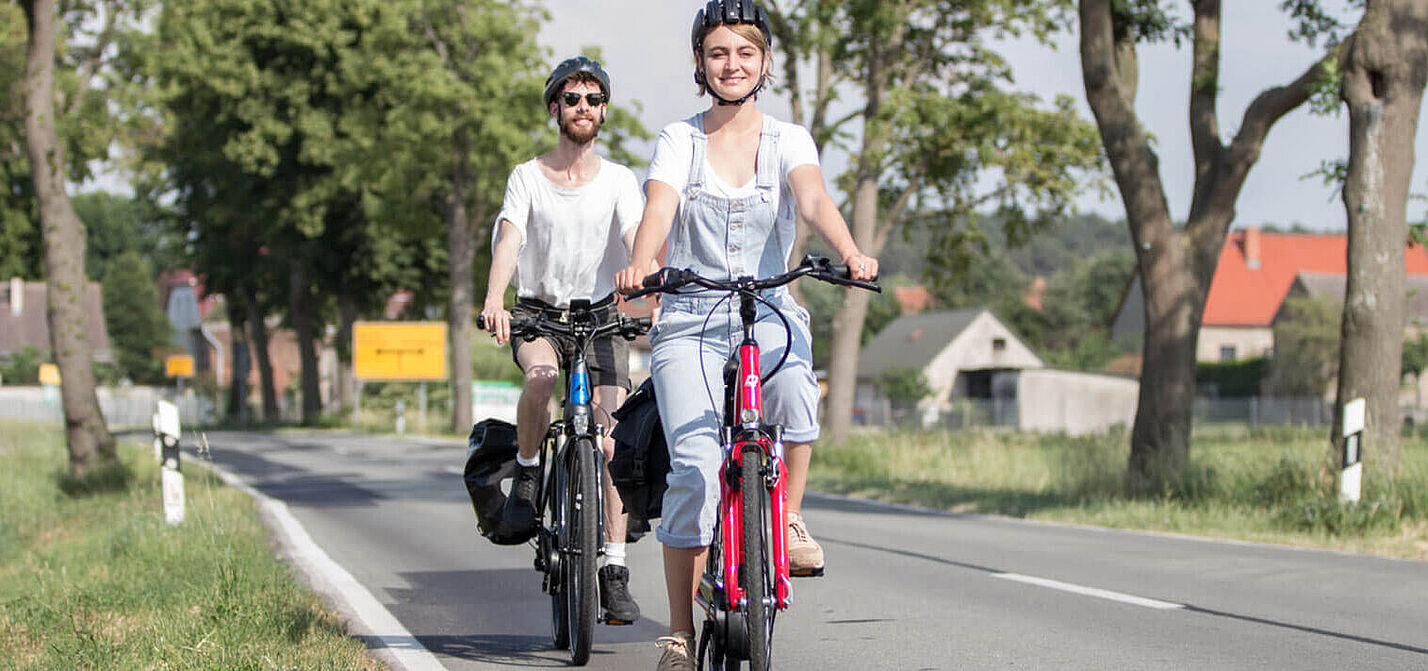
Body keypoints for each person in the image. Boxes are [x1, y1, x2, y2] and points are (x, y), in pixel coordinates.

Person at [613, 2, 878, 667]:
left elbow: (813, 198)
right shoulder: (681, 139)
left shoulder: (790, 138)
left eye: (746, 52)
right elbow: (659, 207)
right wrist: (645, 260)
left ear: (764, 62)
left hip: (769, 308)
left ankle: (786, 516)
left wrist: (848, 249)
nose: (733, 64)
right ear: (701, 63)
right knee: (696, 469)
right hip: (692, 319)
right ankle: (676, 629)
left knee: (794, 389)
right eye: (719, 52)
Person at [481, 55, 646, 625]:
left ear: (603, 111)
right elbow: (510, 238)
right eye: (572, 99)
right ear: (555, 108)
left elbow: (635, 237)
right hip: (539, 315)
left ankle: (614, 569)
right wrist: (494, 299)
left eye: (593, 100)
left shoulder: (621, 180)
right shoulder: (527, 176)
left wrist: (649, 281)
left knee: (610, 440)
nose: (583, 109)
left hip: (600, 317)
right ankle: (528, 467)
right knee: (541, 377)